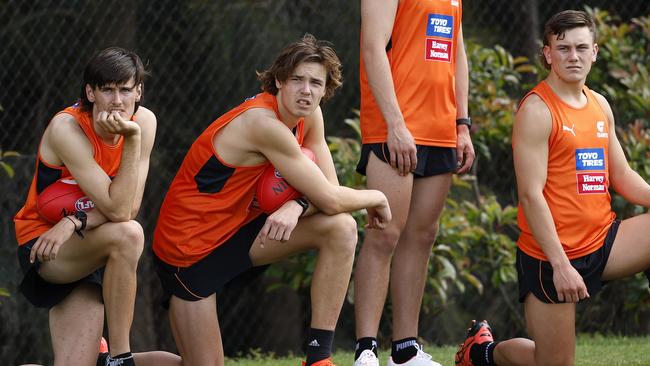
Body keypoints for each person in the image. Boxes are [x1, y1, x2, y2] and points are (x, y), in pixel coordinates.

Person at [152, 34, 391, 366]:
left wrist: (297, 205)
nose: (306, 90)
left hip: (240, 231)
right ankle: (114, 363)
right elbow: (332, 198)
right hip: (189, 251)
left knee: (341, 228)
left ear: (326, 89)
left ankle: (318, 358)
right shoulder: (262, 123)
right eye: (297, 80)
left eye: (315, 83)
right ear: (279, 80)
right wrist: (377, 196)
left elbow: (327, 193)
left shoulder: (311, 116)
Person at [455, 10, 650, 366]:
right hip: (551, 255)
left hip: (603, 240)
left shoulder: (599, 104)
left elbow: (621, 175)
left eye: (580, 48)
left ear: (595, 53)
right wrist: (561, 265)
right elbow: (531, 196)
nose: (572, 56)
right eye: (563, 48)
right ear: (547, 54)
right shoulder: (537, 110)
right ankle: (481, 352)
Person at [14, 47, 180, 366]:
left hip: (92, 242)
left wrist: (75, 220)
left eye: (125, 89)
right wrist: (72, 222)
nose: (117, 100)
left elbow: (127, 206)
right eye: (107, 89)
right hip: (47, 247)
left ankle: (109, 359)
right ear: (91, 93)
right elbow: (120, 214)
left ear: (139, 91)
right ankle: (121, 357)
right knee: (129, 234)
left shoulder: (144, 122)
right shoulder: (68, 129)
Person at [353, 1, 473, 365]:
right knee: (384, 233)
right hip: (396, 127)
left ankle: (404, 351)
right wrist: (394, 124)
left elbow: (458, 51)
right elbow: (372, 46)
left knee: (422, 237)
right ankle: (365, 351)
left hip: (440, 127)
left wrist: (462, 123)